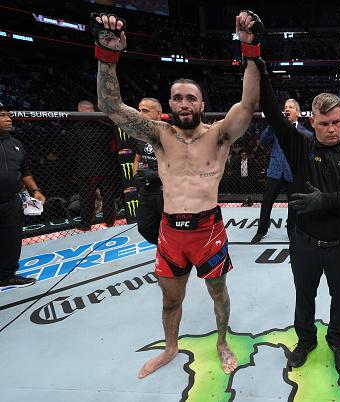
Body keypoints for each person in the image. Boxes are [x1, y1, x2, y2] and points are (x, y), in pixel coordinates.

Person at [92, 10, 262, 377]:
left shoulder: (219, 135)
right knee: (171, 300)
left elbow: (248, 104)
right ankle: (170, 347)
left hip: (209, 231)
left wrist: (250, 49)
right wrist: (107, 56)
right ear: (170, 104)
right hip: (171, 232)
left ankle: (221, 341)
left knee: (219, 295)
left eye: (191, 98)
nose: (184, 104)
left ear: (201, 104)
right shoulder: (159, 135)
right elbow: (111, 107)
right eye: (178, 98)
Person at [256, 60, 340, 371]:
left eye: (336, 122)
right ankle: (306, 340)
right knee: (304, 297)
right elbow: (270, 111)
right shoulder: (298, 145)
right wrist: (257, 63)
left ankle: (337, 341)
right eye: (324, 124)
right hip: (305, 243)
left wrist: (324, 201)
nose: (331, 129)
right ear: (311, 121)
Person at [251, 99, 313, 243]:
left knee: (293, 204)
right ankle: (261, 231)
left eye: (291, 107)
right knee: (267, 201)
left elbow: (310, 156)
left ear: (297, 113)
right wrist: (272, 124)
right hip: (276, 170)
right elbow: (263, 141)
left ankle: (291, 231)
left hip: (294, 173)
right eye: (285, 107)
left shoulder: (307, 134)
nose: (287, 109)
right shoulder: (276, 128)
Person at [0, 102, 46, 289]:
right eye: (3, 115)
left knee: (11, 238)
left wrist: (35, 190)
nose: (9, 119)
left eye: (9, 115)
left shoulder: (15, 144)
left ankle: (6, 276)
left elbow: (24, 170)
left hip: (11, 200)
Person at [74, 100, 119, 230]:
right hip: (105, 166)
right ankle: (110, 222)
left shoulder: (76, 129)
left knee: (87, 197)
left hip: (86, 168)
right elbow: (113, 148)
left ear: (81, 111)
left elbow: (71, 150)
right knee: (107, 195)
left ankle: (86, 224)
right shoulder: (107, 126)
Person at [132, 97, 163, 245]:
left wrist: (157, 175)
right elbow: (137, 158)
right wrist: (135, 175)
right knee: (145, 228)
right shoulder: (140, 135)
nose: (140, 113)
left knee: (170, 229)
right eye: (139, 110)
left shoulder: (168, 134)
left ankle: (171, 260)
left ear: (158, 113)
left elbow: (182, 165)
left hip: (165, 191)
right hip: (146, 191)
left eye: (145, 111)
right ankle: (165, 249)